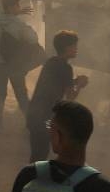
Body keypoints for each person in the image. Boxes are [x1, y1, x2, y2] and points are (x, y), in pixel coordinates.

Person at [27, 31, 89, 162]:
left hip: (34, 113)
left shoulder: (51, 62)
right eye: (74, 46)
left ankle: (30, 179)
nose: (76, 49)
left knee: (36, 155)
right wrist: (80, 85)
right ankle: (33, 180)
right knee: (40, 157)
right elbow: (70, 96)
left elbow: (56, 82)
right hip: (45, 116)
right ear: (67, 48)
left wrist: (74, 81)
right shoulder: (66, 68)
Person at [0, 0, 39, 124]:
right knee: (21, 94)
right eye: (17, 5)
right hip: (15, 65)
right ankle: (30, 123)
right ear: (10, 7)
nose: (19, 7)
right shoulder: (18, 23)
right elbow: (33, 39)